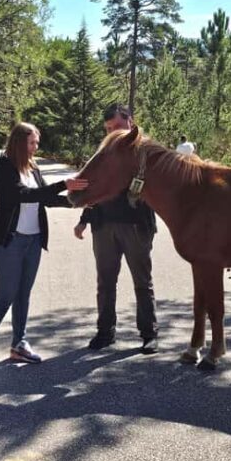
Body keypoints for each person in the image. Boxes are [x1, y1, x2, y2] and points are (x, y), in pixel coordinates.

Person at [0, 122, 88, 374]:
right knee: (5, 296)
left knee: (23, 294)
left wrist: (77, 202)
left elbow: (44, 198)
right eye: (33, 142)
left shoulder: (32, 167)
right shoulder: (2, 168)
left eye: (37, 142)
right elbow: (22, 195)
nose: (36, 147)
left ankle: (19, 344)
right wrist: (62, 185)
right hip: (9, 242)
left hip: (33, 240)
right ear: (19, 142)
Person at [73, 105, 159, 354]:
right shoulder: (105, 152)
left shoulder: (145, 151)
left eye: (116, 126)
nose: (112, 132)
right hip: (103, 225)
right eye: (108, 129)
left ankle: (149, 333)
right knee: (105, 282)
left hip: (136, 225)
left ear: (130, 122)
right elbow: (94, 189)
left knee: (142, 282)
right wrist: (84, 219)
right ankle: (105, 332)